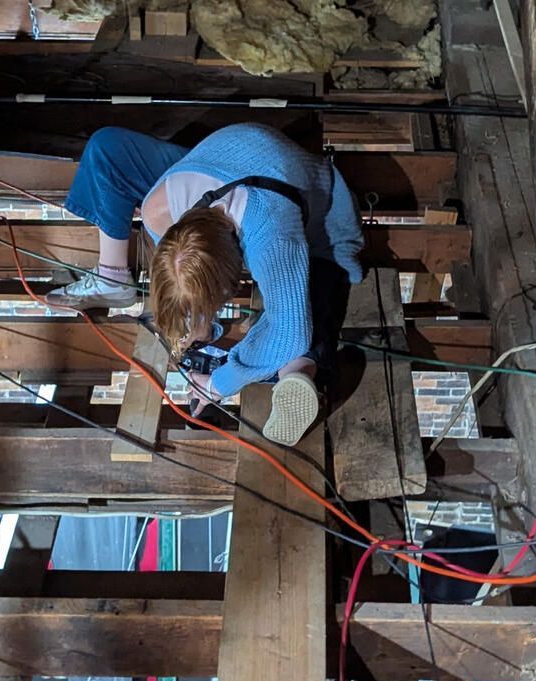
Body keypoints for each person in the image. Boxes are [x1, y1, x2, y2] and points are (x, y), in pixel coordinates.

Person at [49, 124, 364, 445]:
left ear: (235, 272)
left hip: (320, 213)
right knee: (108, 147)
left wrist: (218, 384)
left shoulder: (270, 233)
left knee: (310, 296)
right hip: (236, 164)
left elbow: (289, 330)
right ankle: (112, 276)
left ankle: (296, 372)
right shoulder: (158, 210)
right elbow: (180, 267)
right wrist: (191, 323)